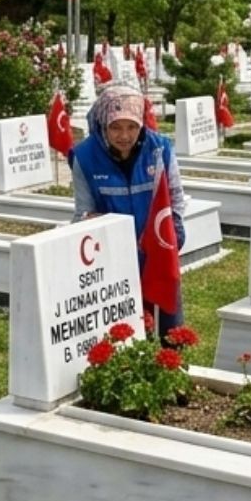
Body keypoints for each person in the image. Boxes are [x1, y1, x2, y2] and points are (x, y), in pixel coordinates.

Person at [71, 84, 187, 340]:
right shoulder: (84, 157)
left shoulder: (160, 149)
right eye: (116, 127)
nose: (124, 135)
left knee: (170, 330)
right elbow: (83, 212)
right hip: (113, 256)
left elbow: (175, 197)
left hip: (158, 251)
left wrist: (173, 236)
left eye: (132, 127)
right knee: (124, 333)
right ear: (103, 124)